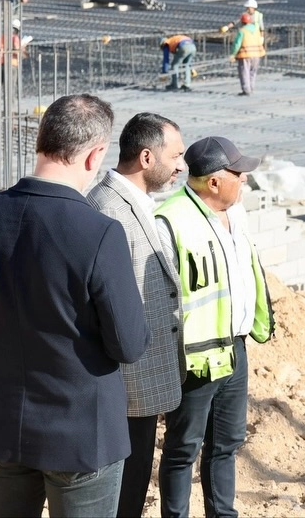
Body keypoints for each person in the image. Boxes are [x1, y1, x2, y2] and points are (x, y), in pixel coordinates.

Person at [0, 94, 149, 518]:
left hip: (0, 426)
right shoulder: (99, 232)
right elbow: (129, 345)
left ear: (40, 141)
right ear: (95, 155)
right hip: (81, 434)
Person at [155, 136, 274, 518]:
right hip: (196, 357)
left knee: (226, 444)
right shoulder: (171, 220)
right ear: (214, 182)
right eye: (239, 173)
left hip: (235, 347)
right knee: (183, 448)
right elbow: (161, 298)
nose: (245, 179)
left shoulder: (235, 214)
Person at [86, 114, 187, 518]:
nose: (181, 166)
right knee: (122, 498)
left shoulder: (138, 204)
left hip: (141, 385)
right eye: (175, 156)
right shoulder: (108, 208)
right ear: (147, 157)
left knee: (134, 488)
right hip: (124, 390)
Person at [229, 13, 265, 96]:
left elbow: (237, 44)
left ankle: (246, 90)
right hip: (257, 54)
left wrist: (233, 54)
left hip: (245, 55)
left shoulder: (242, 31)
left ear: (242, 22)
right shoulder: (256, 30)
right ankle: (251, 88)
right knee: (253, 72)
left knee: (244, 72)